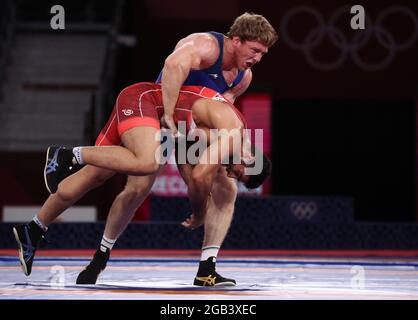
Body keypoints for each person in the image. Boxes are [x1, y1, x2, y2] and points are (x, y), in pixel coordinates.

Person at [13, 12, 278, 286]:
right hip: (157, 110)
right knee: (127, 182)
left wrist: (194, 161)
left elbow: (211, 125)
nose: (257, 58)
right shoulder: (206, 46)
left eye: (263, 54)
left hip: (185, 126)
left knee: (224, 187)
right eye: (255, 50)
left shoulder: (242, 79)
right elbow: (173, 66)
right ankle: (98, 255)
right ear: (236, 40)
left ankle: (206, 268)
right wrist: (170, 120)